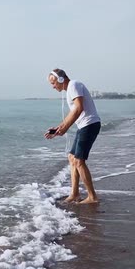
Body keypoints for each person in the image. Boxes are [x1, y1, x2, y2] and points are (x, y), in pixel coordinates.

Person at [45, 68, 101, 204]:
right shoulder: (70, 88)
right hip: (84, 126)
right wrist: (59, 128)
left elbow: (79, 108)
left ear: (60, 79)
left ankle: (92, 197)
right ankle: (75, 193)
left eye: (53, 83)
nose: (53, 87)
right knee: (71, 158)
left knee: (79, 161)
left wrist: (64, 128)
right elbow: (73, 113)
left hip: (89, 125)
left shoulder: (74, 85)